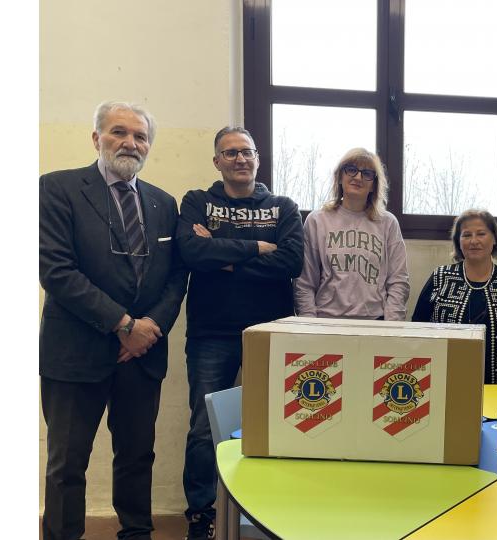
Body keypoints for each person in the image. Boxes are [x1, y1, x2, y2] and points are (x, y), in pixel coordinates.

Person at [39, 101, 188, 540]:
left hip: (141, 355)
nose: (130, 142)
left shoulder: (164, 203)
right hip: (75, 352)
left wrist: (149, 329)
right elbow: (56, 270)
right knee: (67, 464)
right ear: (96, 138)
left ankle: (137, 533)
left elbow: (176, 277)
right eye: (118, 132)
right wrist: (124, 325)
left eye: (140, 136)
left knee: (138, 457)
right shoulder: (57, 188)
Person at [176, 126, 303, 539]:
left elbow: (291, 262)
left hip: (271, 333)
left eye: (246, 152)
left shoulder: (283, 207)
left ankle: (269, 511)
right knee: (203, 428)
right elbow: (192, 252)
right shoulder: (197, 201)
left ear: (258, 158)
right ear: (217, 161)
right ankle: (201, 514)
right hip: (211, 333)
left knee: (276, 424)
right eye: (230, 153)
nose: (240, 159)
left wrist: (222, 255)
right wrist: (256, 248)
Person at [294, 148, 410, 320]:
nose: (358, 177)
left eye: (367, 173)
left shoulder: (388, 223)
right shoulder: (317, 221)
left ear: (374, 185)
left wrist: (390, 325)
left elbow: (398, 281)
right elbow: (304, 282)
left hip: (375, 323)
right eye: (351, 170)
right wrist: (309, 323)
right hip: (326, 322)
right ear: (340, 177)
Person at [412, 209, 497, 383]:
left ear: (494, 239)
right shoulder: (441, 277)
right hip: (445, 378)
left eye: (481, 234)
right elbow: (418, 324)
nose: (474, 241)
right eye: (467, 235)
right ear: (458, 241)